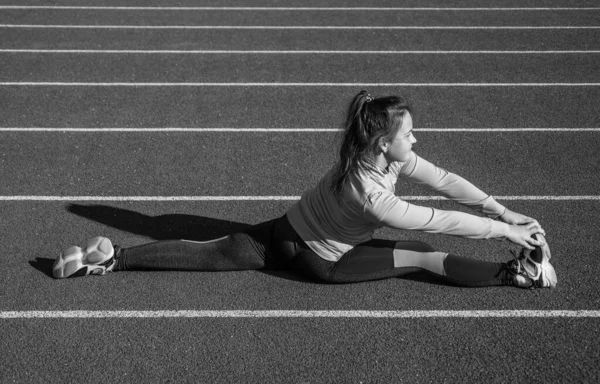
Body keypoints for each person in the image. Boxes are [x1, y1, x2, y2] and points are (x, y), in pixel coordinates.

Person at [53, 90, 556, 289]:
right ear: (386, 141)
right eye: (409, 134)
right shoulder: (372, 194)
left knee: (206, 251)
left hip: (284, 230)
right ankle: (515, 276)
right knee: (423, 254)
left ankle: (114, 258)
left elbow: (443, 181)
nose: (416, 139)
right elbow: (439, 220)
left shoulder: (363, 154)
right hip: (321, 260)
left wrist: (503, 213)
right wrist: (503, 234)